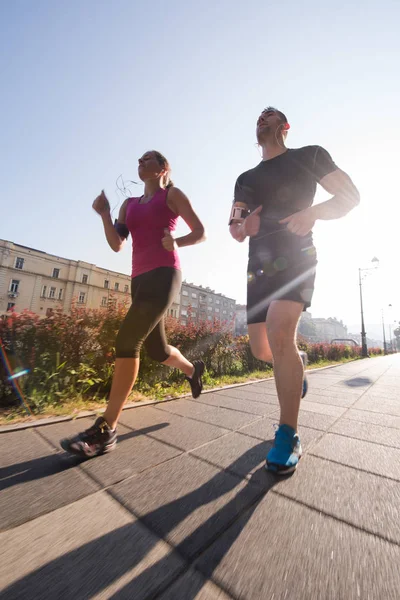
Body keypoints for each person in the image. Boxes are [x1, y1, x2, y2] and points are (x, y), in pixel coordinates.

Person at [229, 107, 359, 474]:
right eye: (258, 115)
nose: (261, 118)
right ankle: (297, 366)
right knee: (261, 349)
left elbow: (350, 196)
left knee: (281, 332)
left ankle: (288, 434)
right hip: (259, 265)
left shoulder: (310, 156)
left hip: (297, 254)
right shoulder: (245, 178)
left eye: (270, 115)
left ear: (285, 127)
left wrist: (312, 213)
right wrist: (244, 227)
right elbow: (235, 228)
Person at [61, 150, 206, 458]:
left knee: (128, 340)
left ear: (163, 167)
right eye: (138, 160)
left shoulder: (172, 195)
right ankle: (193, 371)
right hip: (138, 279)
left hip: (165, 274)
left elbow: (201, 232)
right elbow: (117, 243)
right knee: (157, 350)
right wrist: (104, 214)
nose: (140, 163)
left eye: (148, 159)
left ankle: (106, 429)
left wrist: (176, 242)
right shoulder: (129, 205)